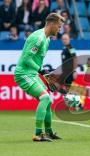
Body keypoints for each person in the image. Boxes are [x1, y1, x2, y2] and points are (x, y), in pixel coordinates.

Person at [14, 13, 65, 142]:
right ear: (52, 24)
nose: (60, 30)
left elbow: (36, 60)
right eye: (59, 27)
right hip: (23, 74)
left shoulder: (47, 39)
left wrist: (43, 73)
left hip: (32, 73)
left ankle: (48, 132)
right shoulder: (38, 38)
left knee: (48, 101)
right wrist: (41, 71)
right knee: (45, 97)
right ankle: (37, 134)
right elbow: (26, 59)